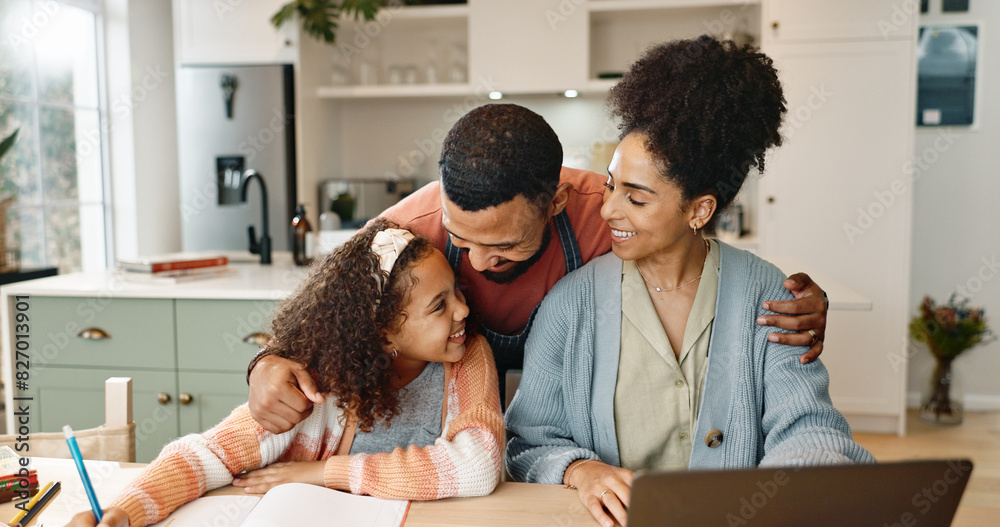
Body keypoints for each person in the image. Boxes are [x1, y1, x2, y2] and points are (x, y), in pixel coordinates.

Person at [247, 103, 832, 434]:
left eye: (503, 247)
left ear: (554, 203)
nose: (477, 262)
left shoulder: (602, 215)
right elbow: (325, 313)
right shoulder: (409, 224)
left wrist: (791, 298)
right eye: (460, 240)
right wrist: (267, 364)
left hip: (551, 406)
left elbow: (697, 256)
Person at [503, 37, 874, 527]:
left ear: (699, 210)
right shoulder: (571, 304)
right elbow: (528, 440)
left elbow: (810, 430)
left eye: (636, 198)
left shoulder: (767, 295)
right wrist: (580, 468)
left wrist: (783, 500)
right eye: (612, 185)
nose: (608, 208)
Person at [67, 219, 503, 527]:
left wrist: (324, 472)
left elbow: (479, 466)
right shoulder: (319, 380)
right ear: (383, 328)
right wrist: (125, 512)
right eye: (439, 305)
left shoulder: (467, 358)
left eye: (456, 292)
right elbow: (208, 454)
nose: (463, 310)